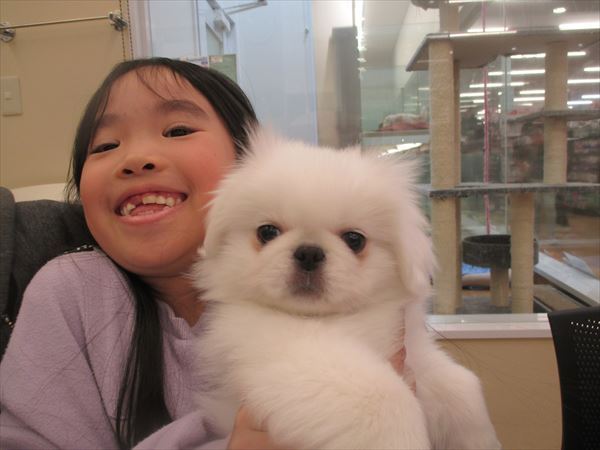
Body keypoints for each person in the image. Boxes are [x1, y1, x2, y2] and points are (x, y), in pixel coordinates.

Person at [0, 58, 410, 449]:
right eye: (105, 145)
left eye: (177, 130)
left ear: (246, 166)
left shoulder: (338, 297)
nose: (136, 160)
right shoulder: (71, 290)